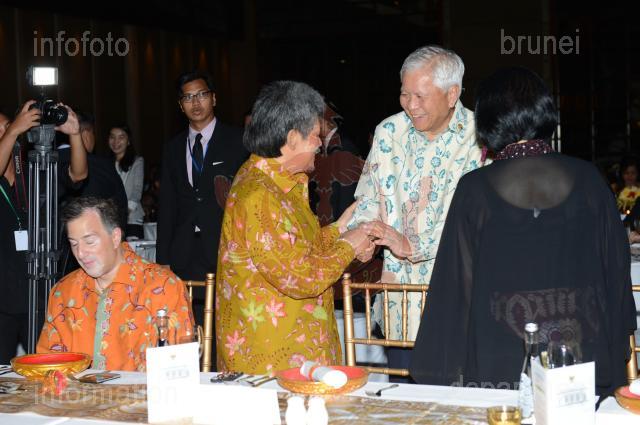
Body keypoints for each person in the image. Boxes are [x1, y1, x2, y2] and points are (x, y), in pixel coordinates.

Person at [409, 67, 635, 397]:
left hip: (499, 370)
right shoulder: (590, 179)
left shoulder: (475, 189)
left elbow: (456, 285)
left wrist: (441, 369)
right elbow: (615, 269)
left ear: (487, 121)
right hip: (581, 362)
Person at [215, 81, 378, 374]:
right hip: (274, 364)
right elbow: (300, 277)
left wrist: (339, 229)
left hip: (298, 352)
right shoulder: (260, 196)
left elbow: (295, 251)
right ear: (292, 138)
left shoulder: (279, 182)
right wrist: (348, 245)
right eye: (315, 135)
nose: (319, 143)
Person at [347, 45, 487, 374]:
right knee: (402, 394)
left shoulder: (480, 138)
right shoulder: (388, 133)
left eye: (421, 96)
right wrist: (362, 236)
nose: (411, 105)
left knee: (457, 397)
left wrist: (410, 245)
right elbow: (368, 201)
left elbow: (475, 222)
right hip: (400, 306)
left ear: (452, 94)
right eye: (404, 94)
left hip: (458, 305)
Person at [37, 196, 194, 371]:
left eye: (89, 242)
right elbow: (47, 366)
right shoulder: (63, 292)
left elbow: (179, 370)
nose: (80, 253)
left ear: (115, 237)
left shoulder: (163, 287)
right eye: (74, 244)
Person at [0, 102, 87, 363]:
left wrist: (75, 133)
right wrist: (13, 130)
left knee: (45, 368)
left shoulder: (34, 168)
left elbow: (78, 175)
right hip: (3, 297)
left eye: (6, 126)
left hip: (36, 289)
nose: (5, 132)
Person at [157, 70, 248, 281]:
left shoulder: (238, 141)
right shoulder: (173, 148)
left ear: (213, 98)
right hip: (184, 252)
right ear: (181, 106)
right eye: (188, 97)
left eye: (201, 95)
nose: (195, 103)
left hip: (226, 249)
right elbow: (167, 204)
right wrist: (163, 258)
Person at [108, 125, 145, 239]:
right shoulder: (105, 163)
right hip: (111, 219)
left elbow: (137, 191)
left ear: (128, 141)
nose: (116, 141)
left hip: (131, 218)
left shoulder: (137, 161)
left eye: (121, 137)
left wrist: (123, 213)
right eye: (112, 137)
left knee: (130, 250)